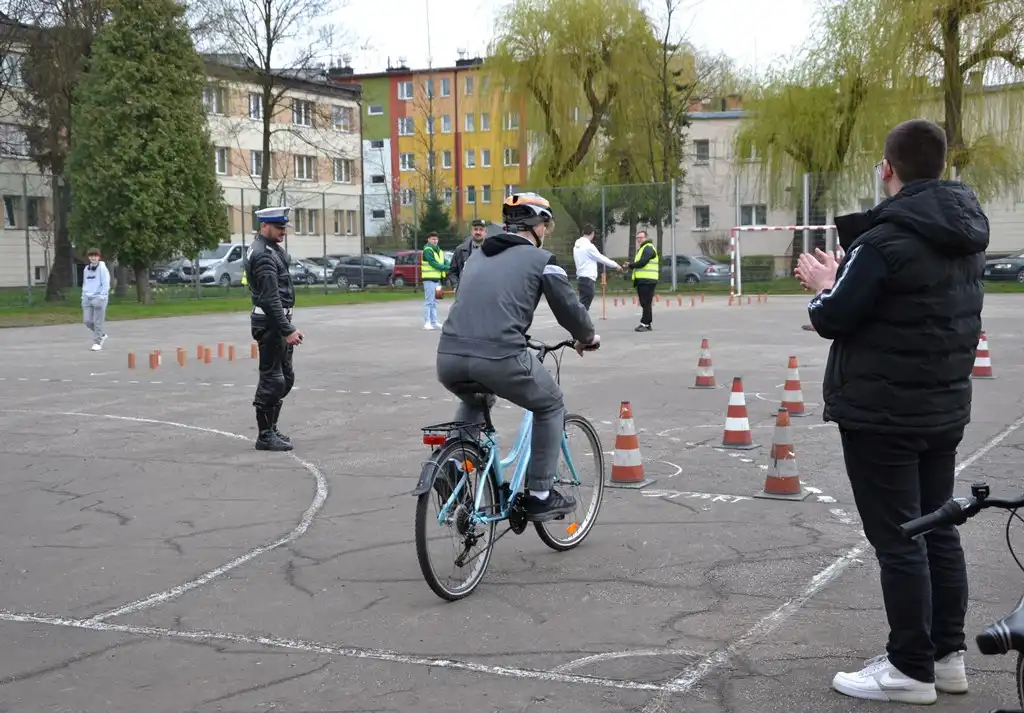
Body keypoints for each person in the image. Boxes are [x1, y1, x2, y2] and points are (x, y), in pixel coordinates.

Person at [795, 118, 988, 704]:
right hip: (942, 407)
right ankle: (946, 655)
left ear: (888, 169)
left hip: (883, 411)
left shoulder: (883, 240)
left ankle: (909, 667)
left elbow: (832, 316)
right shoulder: (965, 235)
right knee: (938, 529)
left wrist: (826, 282)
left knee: (900, 537)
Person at [436, 192, 600, 521]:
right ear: (536, 225)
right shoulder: (542, 261)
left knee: (476, 397)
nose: (547, 234)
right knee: (551, 403)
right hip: (499, 357)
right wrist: (587, 338)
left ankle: (450, 465)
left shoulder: (476, 257)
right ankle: (540, 493)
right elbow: (569, 308)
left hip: (449, 356)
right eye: (547, 226)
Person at [244, 206, 304, 452]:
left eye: (284, 228)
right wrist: (287, 329)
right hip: (270, 325)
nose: (283, 233)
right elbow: (270, 298)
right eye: (279, 228)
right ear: (264, 226)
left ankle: (271, 426)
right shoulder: (264, 255)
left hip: (276, 324)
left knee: (285, 379)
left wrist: (287, 326)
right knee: (272, 379)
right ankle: (265, 434)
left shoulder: (269, 249)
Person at [572, 223, 621, 310]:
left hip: (581, 278)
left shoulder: (577, 246)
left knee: (583, 303)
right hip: (588, 278)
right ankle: (578, 322)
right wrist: (615, 265)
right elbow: (601, 258)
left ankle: (580, 322)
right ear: (592, 233)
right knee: (584, 306)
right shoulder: (589, 247)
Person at [623, 230, 659, 331]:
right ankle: (647, 324)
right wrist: (631, 265)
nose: (639, 239)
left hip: (648, 279)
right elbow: (640, 263)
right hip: (644, 280)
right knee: (644, 302)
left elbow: (642, 262)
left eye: (641, 237)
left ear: (646, 238)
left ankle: (645, 323)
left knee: (646, 302)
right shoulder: (643, 248)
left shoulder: (648, 248)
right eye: (638, 238)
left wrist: (630, 265)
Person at [81, 247, 110, 351]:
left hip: (99, 298)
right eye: (91, 256)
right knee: (87, 321)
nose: (93, 258)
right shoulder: (86, 269)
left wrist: (101, 297)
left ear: (99, 257)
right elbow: (85, 283)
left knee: (98, 322)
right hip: (87, 298)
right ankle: (101, 334)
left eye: (95, 256)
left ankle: (97, 342)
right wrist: (83, 296)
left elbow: (106, 284)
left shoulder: (102, 268)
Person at [420, 231, 450, 330]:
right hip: (429, 280)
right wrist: (447, 268)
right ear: (428, 240)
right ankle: (427, 322)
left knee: (436, 301)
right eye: (433, 239)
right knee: (429, 301)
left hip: (438, 280)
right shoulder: (428, 250)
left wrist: (448, 265)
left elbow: (444, 261)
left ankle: (434, 321)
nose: (435, 241)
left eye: (436, 239)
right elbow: (433, 263)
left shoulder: (439, 251)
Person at [449, 219, 487, 290]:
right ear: (471, 231)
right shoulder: (460, 250)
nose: (478, 232)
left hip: (486, 291)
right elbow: (452, 272)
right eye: (475, 229)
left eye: (481, 230)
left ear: (485, 232)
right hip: (465, 292)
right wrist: (456, 286)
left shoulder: (492, 249)